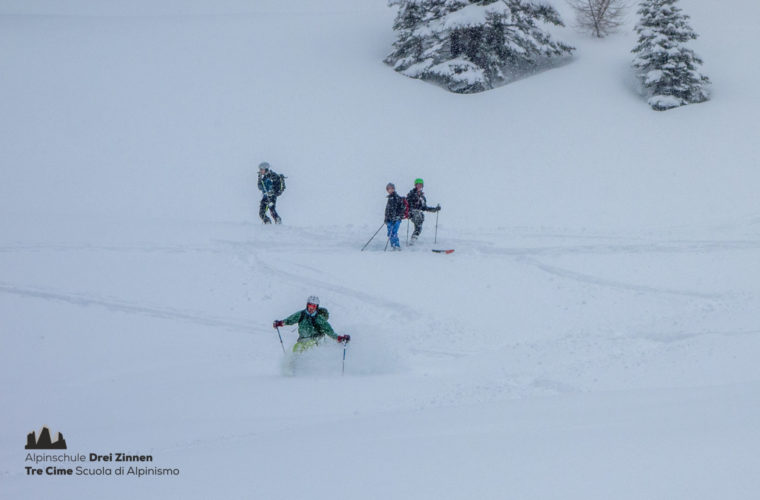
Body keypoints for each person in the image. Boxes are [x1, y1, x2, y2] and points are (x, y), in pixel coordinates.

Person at [273, 296, 350, 352]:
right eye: (310, 306)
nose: (311, 308)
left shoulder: (319, 318)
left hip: (316, 341)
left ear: (316, 307)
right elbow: (290, 320)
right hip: (302, 340)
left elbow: (329, 331)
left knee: (309, 345)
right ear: (307, 305)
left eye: (313, 306)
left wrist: (339, 338)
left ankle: (309, 367)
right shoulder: (301, 314)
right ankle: (292, 368)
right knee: (296, 349)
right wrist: (280, 323)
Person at [406, 178, 440, 244]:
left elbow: (424, 208)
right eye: (418, 185)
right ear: (415, 185)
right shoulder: (411, 193)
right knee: (418, 219)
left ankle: (413, 239)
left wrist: (435, 209)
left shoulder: (422, 197)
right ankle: (413, 240)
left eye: (420, 185)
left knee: (419, 228)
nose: (419, 186)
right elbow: (407, 203)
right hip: (412, 212)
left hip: (419, 213)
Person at [384, 183, 406, 251]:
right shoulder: (390, 198)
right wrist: (386, 218)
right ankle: (393, 245)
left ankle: (396, 245)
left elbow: (401, 208)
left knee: (393, 232)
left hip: (396, 219)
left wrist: (397, 217)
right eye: (388, 189)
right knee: (390, 232)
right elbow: (387, 209)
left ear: (394, 189)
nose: (390, 190)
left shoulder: (397, 198)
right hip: (390, 219)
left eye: (391, 188)